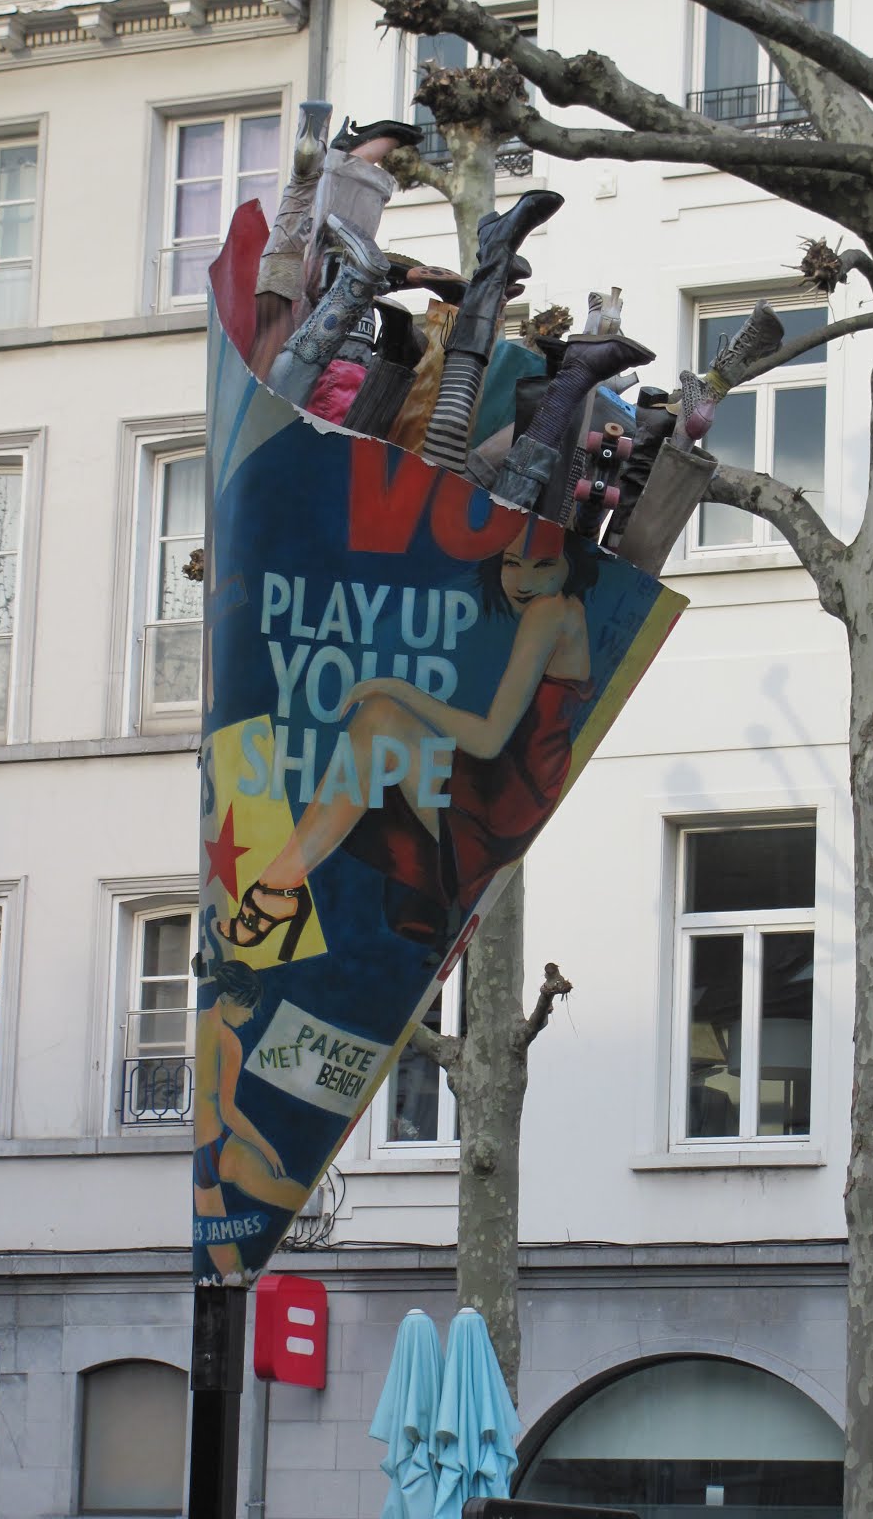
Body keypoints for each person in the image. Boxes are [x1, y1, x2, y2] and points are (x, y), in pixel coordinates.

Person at [216, 523, 597, 951]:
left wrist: (397, 687)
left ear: (570, 564)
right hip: (516, 782)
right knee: (381, 723)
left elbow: (489, 740)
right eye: (512, 564)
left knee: (382, 719)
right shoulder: (560, 611)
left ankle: (273, 890)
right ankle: (275, 888)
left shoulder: (550, 613)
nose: (524, 581)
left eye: (543, 566)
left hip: (510, 795)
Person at [193, 959, 307, 1278]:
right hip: (221, 1149)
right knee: (289, 1192)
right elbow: (228, 1111)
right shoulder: (228, 1041)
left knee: (227, 1268)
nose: (251, 1015)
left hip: (201, 1158)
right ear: (228, 999)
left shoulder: (198, 1027)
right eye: (248, 1007)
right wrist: (266, 1148)